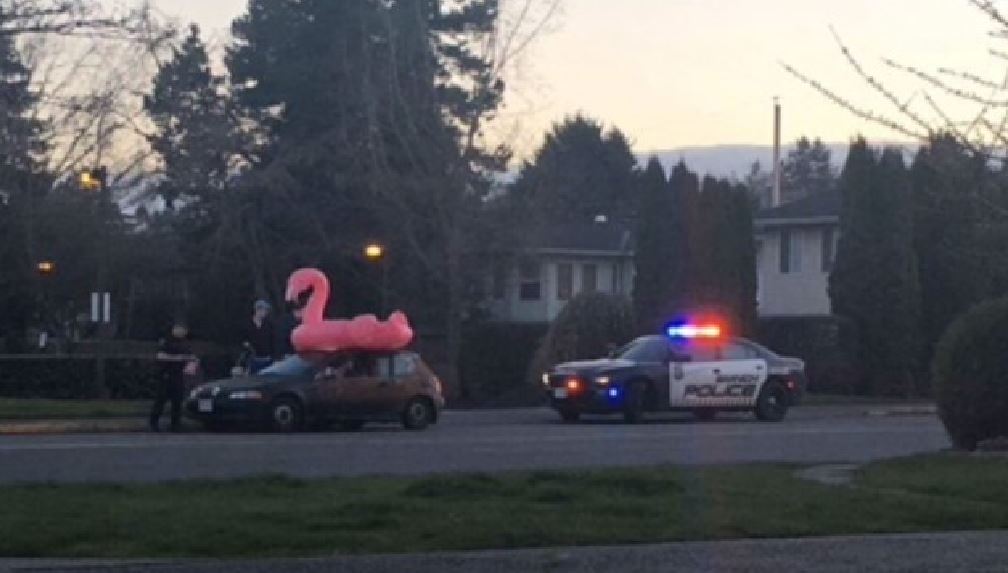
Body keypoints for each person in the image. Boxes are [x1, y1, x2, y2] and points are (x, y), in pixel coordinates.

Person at [150, 322, 198, 432]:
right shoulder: (166, 341)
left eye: (184, 330)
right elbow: (160, 356)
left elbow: (190, 357)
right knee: (160, 400)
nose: (182, 332)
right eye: (179, 329)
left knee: (177, 401)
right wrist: (179, 358)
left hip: (179, 375)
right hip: (166, 375)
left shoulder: (185, 344)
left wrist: (192, 360)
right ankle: (154, 423)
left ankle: (175, 425)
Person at [244, 300, 275, 373]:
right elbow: (243, 340)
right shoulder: (247, 324)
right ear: (258, 310)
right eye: (264, 310)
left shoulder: (269, 325)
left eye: (267, 310)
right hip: (254, 360)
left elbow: (273, 340)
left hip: (268, 360)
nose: (266, 312)